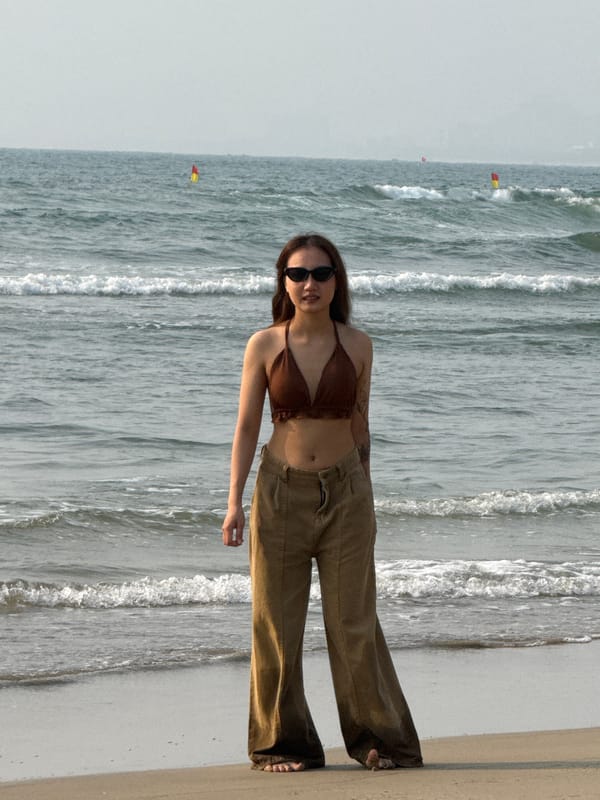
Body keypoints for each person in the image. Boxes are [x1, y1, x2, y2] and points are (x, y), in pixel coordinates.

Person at [222, 234, 423, 773]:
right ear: (283, 283)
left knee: (352, 621)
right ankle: (281, 744)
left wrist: (368, 495)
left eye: (320, 273)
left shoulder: (358, 345)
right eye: (297, 274)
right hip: (279, 492)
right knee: (277, 623)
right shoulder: (264, 344)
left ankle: (376, 740)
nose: (308, 283)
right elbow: (245, 427)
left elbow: (360, 424)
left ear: (338, 281)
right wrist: (233, 502)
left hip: (348, 496)